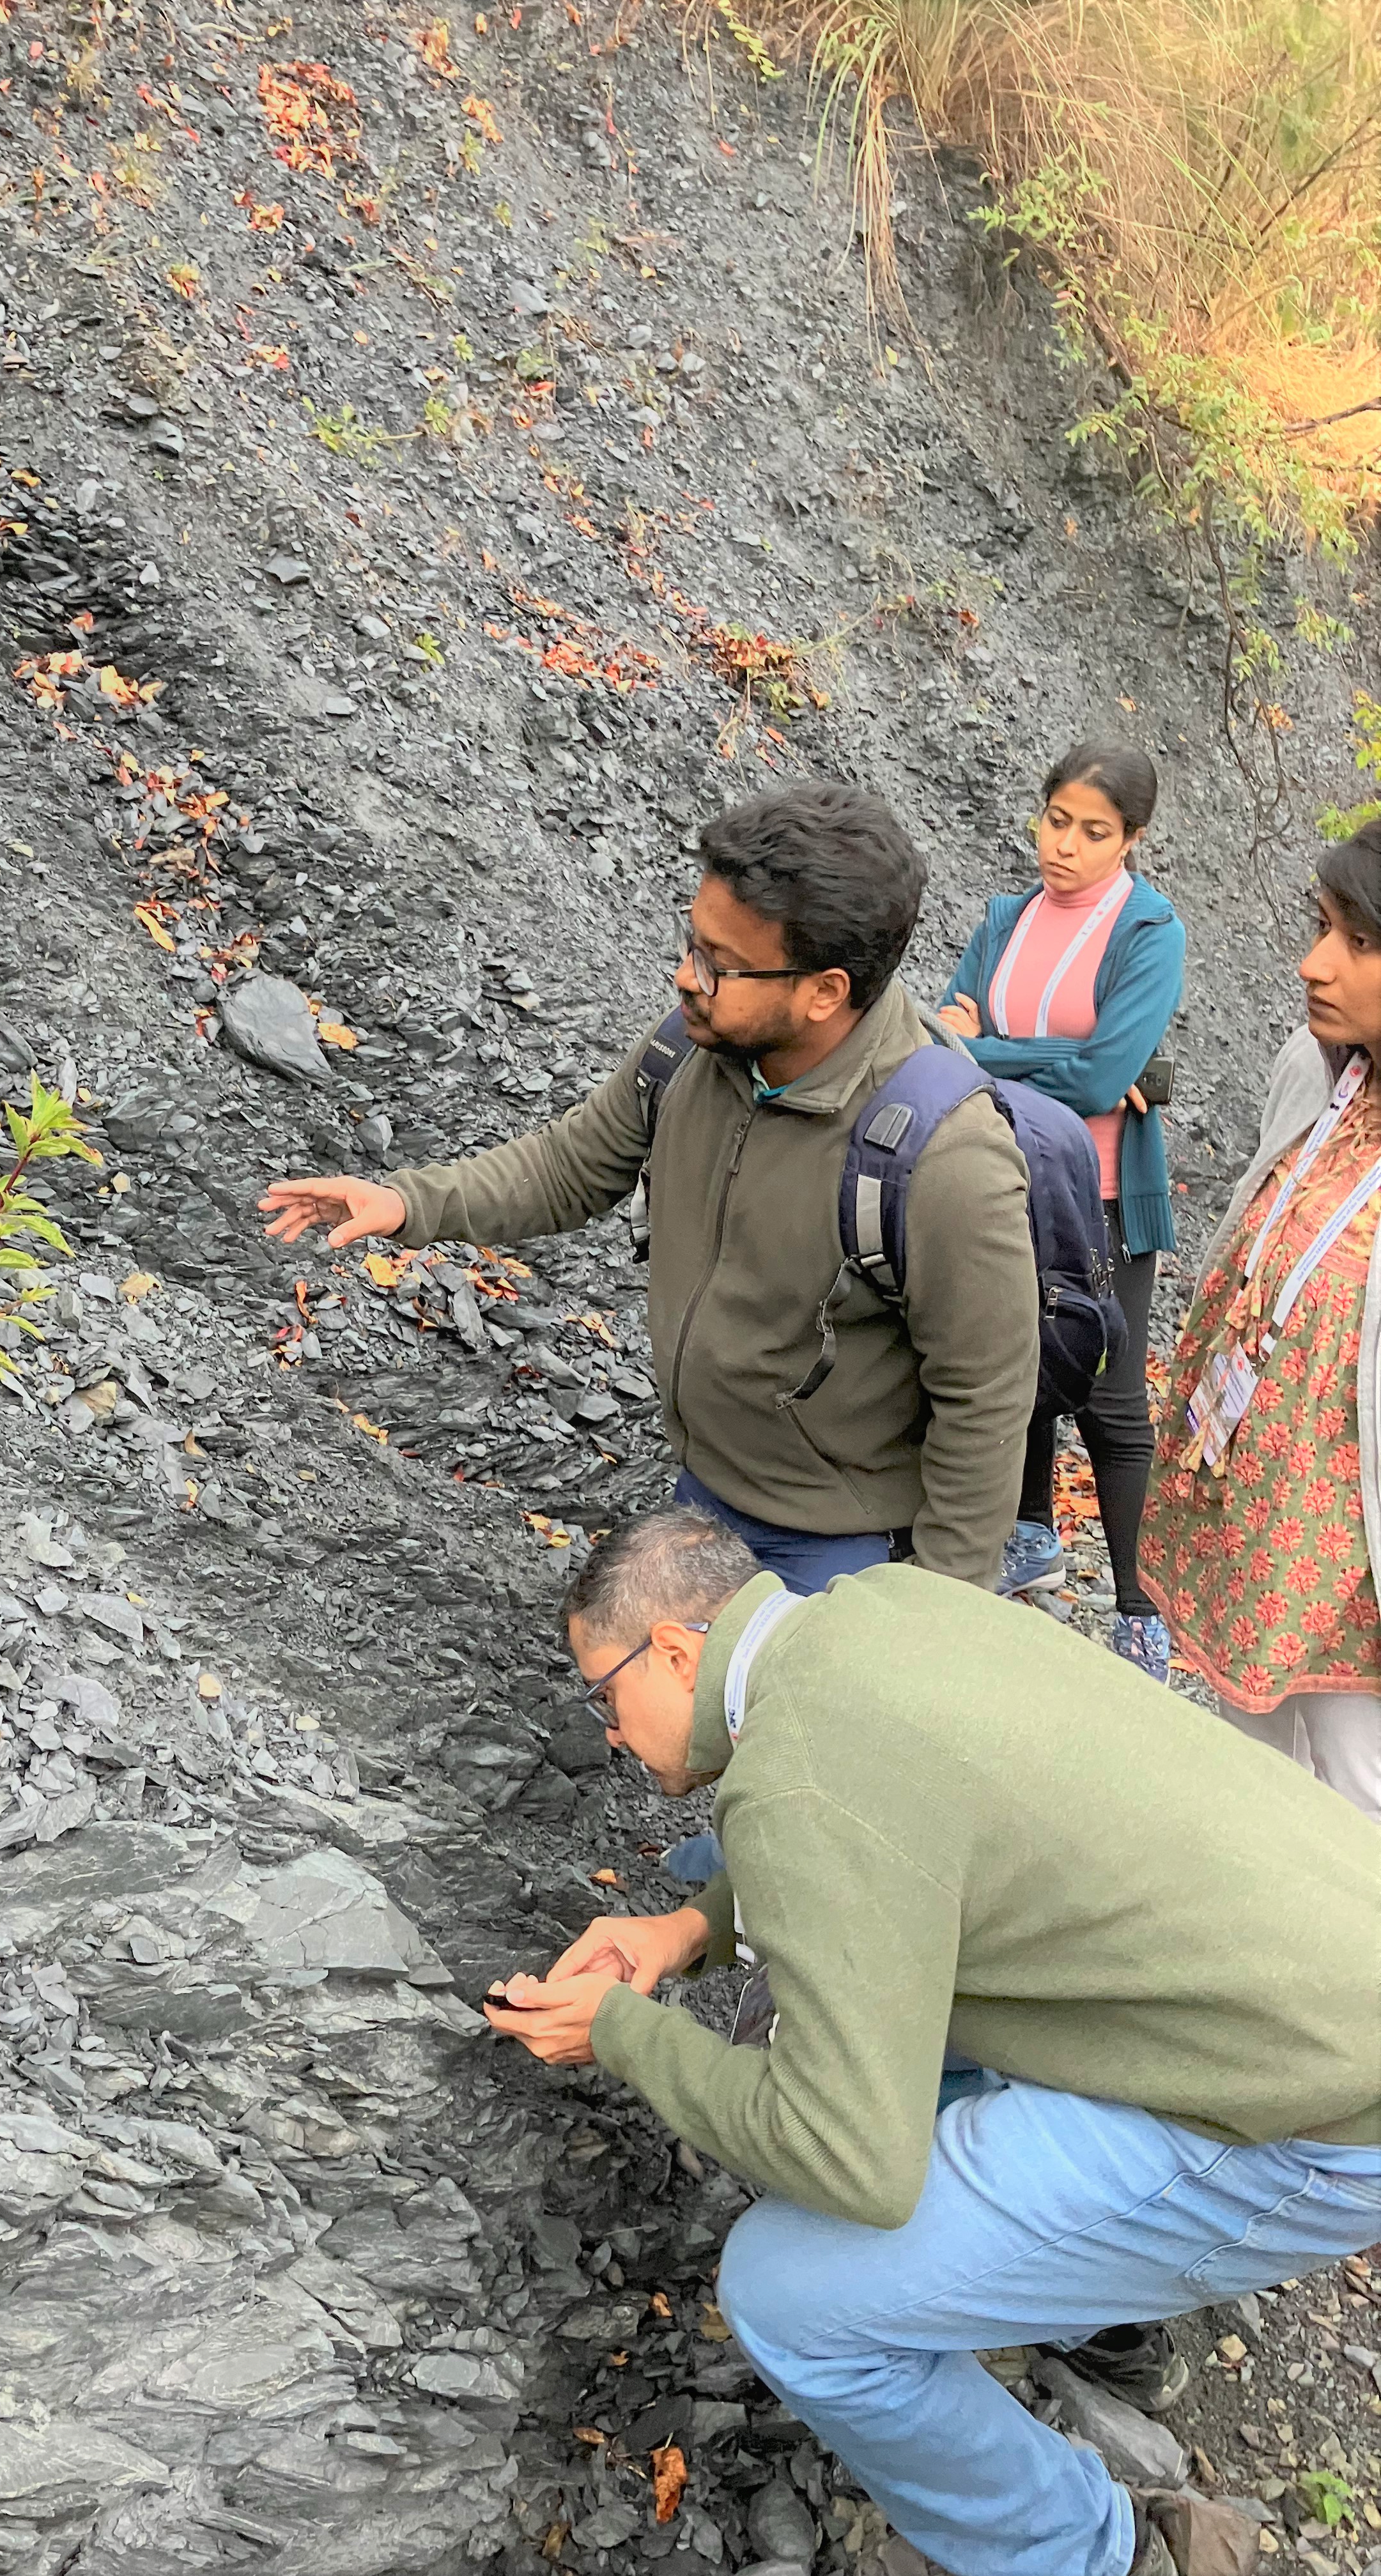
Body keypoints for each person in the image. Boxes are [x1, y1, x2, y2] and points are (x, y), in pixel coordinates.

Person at [485, 1509, 1381, 2576]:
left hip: (1315, 2119)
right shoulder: (884, 1608)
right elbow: (898, 1828)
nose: (612, 1736)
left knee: (784, 2294)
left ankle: (1088, 2551)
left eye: (606, 1700)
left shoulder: (793, 1781)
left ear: (675, 1652)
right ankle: (1034, 2307)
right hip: (1318, 1973)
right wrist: (688, 1928)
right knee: (857, 2027)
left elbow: (846, 2159)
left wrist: (623, 2033)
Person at [260, 783, 1040, 1593]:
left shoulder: (947, 1159)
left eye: (720, 964)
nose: (684, 976)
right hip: (707, 1494)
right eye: (692, 943)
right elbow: (570, 1165)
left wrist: (937, 1616)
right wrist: (409, 1204)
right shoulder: (695, 1053)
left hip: (844, 1545)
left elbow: (985, 1400)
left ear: (825, 991)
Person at [1140, 817, 1381, 1821]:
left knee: (1358, 1790)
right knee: (1248, 1784)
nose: (1313, 963)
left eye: (1357, 941)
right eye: (1321, 927)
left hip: (1351, 1558)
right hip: (1253, 1514)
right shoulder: (1324, 1066)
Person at [941, 745, 1186, 1680]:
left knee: (1114, 1401)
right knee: (1018, 1359)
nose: (1067, 847)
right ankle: (1031, 1535)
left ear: (1131, 840)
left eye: (1094, 832)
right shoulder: (1006, 919)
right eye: (1056, 820)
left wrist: (989, 1048)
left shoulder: (1150, 931)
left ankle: (1141, 1612)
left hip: (1106, 1194)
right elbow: (946, 1036)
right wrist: (1048, 1056)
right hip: (1001, 1172)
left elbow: (1105, 1074)